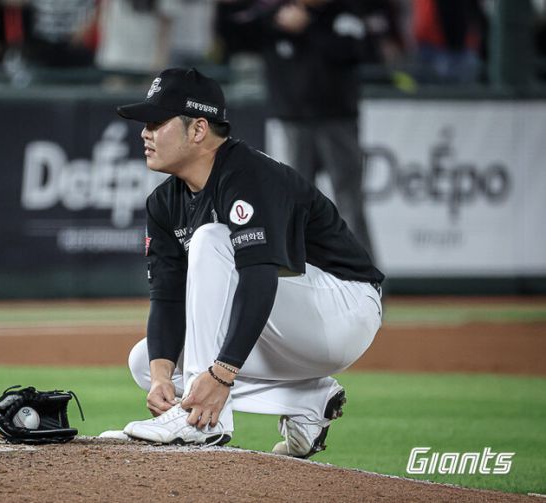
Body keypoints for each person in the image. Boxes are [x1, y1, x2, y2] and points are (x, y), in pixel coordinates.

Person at [106, 67, 384, 458]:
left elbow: (259, 276)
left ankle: (203, 422)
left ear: (198, 129)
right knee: (146, 361)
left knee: (211, 239)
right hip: (284, 322)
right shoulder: (164, 203)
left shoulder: (248, 174)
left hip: (341, 309)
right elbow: (167, 297)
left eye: (156, 122)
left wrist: (222, 374)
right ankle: (308, 401)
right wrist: (159, 378)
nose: (144, 133)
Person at [230, 0, 376, 258]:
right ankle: (299, 270)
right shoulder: (276, 13)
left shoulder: (344, 12)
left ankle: (363, 274)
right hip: (293, 121)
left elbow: (357, 51)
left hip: (337, 120)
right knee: (295, 200)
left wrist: (308, 28)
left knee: (349, 199)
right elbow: (234, 34)